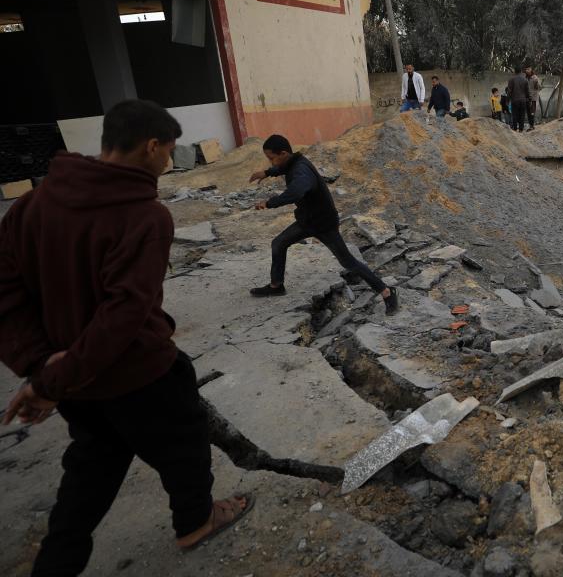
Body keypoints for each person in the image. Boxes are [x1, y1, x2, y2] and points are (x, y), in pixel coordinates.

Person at [0, 100, 254, 576]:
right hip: (141, 374)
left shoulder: (32, 204)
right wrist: (50, 379)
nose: (166, 162)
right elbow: (123, 318)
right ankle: (196, 521)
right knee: (185, 445)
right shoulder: (145, 217)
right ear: (152, 146)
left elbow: (6, 291)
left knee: (90, 469)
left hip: (75, 384)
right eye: (168, 151)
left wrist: (43, 368)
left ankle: (56, 564)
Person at [248, 135, 399, 315]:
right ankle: (276, 286)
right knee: (278, 243)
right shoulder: (293, 162)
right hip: (307, 221)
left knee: (348, 261)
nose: (271, 162)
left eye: (271, 158)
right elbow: (283, 168)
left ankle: (387, 292)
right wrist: (267, 173)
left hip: (323, 224)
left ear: (284, 153)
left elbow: (295, 192)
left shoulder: (301, 170)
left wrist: (269, 203)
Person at [507, 67, 530, 133]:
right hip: (523, 100)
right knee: (522, 115)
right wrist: (529, 99)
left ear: (514, 71)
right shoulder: (525, 80)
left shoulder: (511, 79)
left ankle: (515, 129)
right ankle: (521, 129)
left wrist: (507, 100)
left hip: (515, 100)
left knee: (515, 114)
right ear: (521, 71)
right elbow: (527, 91)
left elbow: (509, 91)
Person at [524, 67, 541, 131]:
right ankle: (530, 125)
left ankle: (532, 126)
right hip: (527, 98)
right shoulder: (525, 78)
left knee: (532, 112)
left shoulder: (535, 78)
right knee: (528, 112)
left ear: (531, 70)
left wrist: (537, 84)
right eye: (526, 69)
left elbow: (539, 87)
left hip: (533, 98)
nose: (527, 70)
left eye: (528, 69)